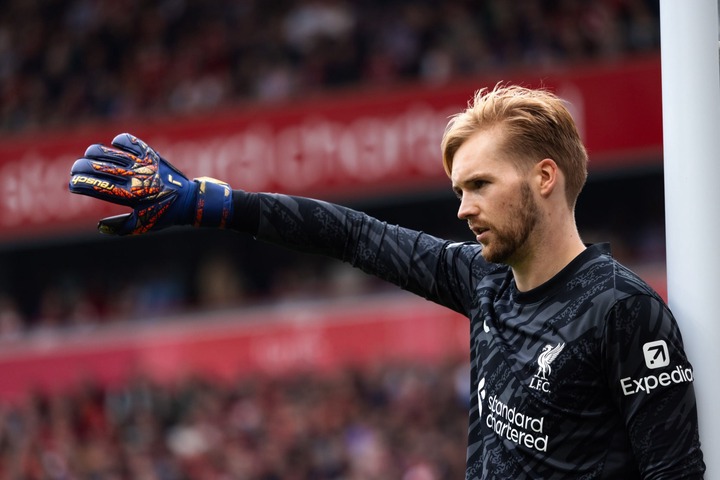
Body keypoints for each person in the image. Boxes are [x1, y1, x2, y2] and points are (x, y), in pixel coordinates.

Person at [69, 84, 705, 479]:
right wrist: (215, 204)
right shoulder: (480, 279)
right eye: (459, 190)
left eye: (480, 185)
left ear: (545, 177)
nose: (462, 208)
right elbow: (350, 234)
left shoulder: (624, 310)